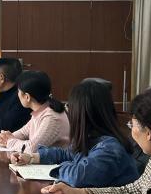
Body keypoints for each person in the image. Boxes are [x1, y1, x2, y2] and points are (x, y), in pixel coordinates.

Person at [9, 79, 138, 187]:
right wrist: (31, 158)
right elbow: (66, 153)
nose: (68, 111)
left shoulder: (110, 148)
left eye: (70, 106)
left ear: (83, 114)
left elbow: (77, 177)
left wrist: (64, 166)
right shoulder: (92, 138)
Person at [0, 70, 69, 153]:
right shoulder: (41, 111)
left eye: (18, 91)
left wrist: (9, 142)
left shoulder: (51, 117)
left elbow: (32, 148)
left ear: (27, 97)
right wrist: (5, 137)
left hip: (56, 161)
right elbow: (23, 133)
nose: (17, 94)